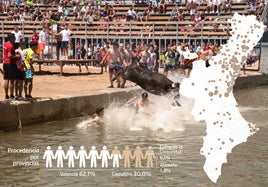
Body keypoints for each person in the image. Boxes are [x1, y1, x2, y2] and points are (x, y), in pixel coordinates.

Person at [3, 33, 20, 100]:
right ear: (10, 38)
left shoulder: (5, 44)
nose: (15, 39)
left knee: (6, 79)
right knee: (12, 80)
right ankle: (11, 95)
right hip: (11, 64)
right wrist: (17, 56)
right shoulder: (10, 45)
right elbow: (9, 55)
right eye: (13, 38)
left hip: (5, 63)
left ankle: (6, 95)